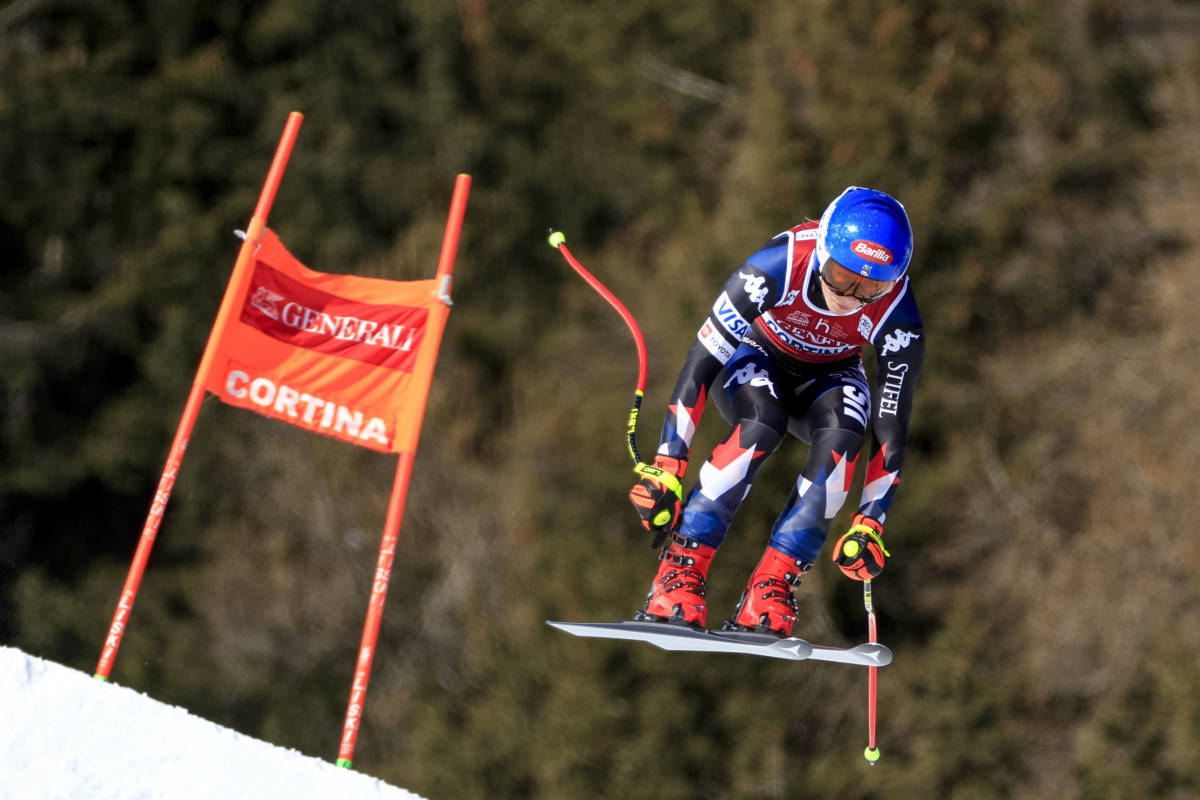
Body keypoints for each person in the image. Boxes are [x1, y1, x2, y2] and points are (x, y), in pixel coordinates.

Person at [628, 187, 923, 637]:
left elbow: (891, 424)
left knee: (847, 431)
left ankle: (772, 586)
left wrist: (870, 523)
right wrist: (669, 464)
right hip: (757, 356)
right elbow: (701, 363)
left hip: (832, 373)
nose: (850, 296)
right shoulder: (777, 266)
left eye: (872, 287)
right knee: (763, 422)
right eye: (840, 275)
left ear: (896, 280)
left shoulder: (899, 313)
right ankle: (679, 572)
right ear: (822, 251)